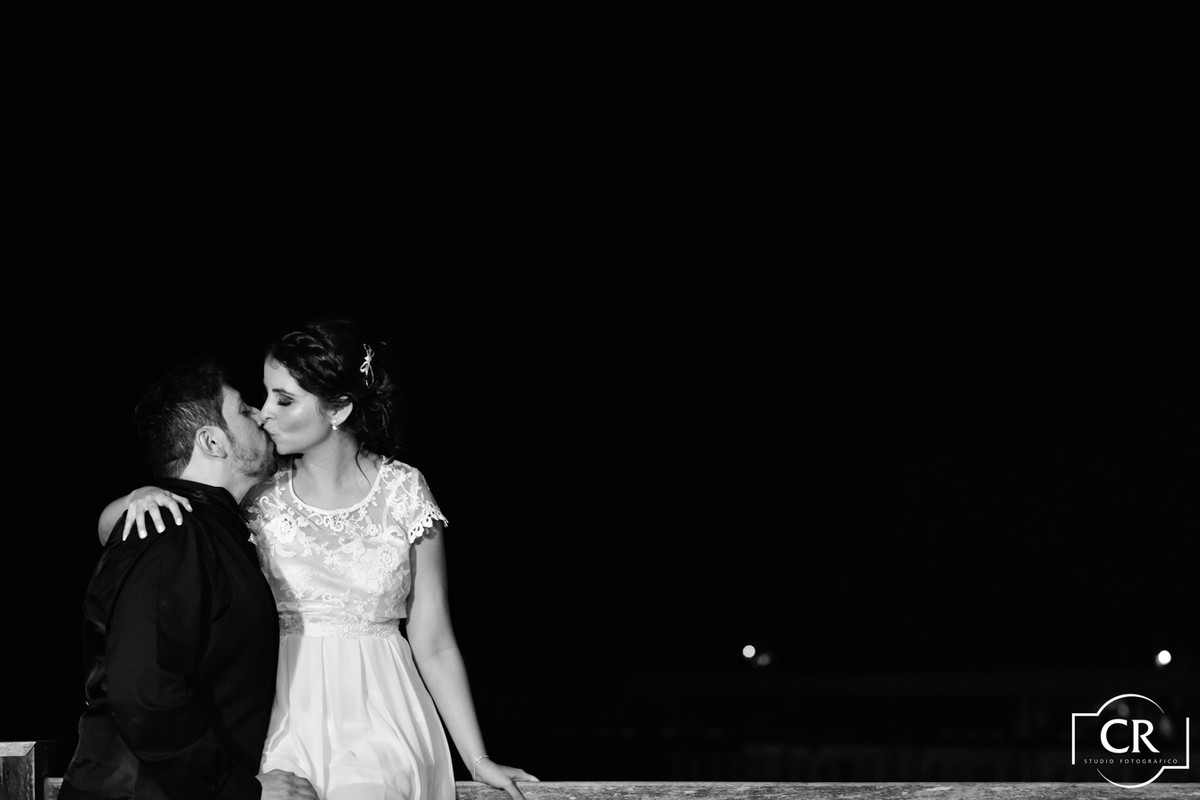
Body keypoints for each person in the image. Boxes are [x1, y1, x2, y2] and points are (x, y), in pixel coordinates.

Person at [98, 318, 536, 800]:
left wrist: (477, 759)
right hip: (280, 717)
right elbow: (122, 528)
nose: (263, 413)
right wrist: (139, 496)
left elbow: (433, 640)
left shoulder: (404, 490)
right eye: (264, 395)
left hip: (381, 712)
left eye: (283, 400)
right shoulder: (259, 492)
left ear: (339, 409)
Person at [62, 360, 318, 800]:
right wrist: (241, 792)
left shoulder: (209, 528)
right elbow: (143, 695)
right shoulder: (171, 531)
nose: (261, 416)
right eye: (244, 410)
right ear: (212, 441)